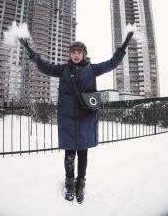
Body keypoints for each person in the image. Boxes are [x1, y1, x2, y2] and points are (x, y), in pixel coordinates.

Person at [19, 31, 134, 204]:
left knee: (83, 152)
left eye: (79, 52)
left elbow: (112, 63)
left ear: (84, 54)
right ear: (70, 54)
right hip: (68, 118)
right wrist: (31, 52)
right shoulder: (63, 70)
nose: (76, 55)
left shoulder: (92, 69)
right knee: (69, 153)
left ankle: (81, 183)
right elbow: (44, 66)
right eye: (73, 52)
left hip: (86, 117)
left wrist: (123, 48)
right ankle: (70, 183)